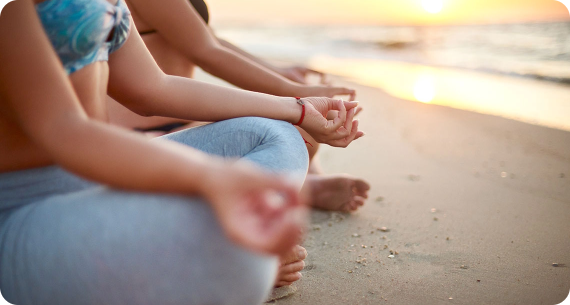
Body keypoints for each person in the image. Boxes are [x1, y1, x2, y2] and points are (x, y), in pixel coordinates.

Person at [0, 0, 363, 304]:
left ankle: (229, 258)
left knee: (275, 134)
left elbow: (153, 89)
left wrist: (297, 108)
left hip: (99, 178)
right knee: (240, 259)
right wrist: (212, 177)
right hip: (19, 211)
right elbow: (64, 129)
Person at [107, 0, 372, 288]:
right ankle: (253, 232)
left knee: (295, 135)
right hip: (133, 137)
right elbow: (206, 52)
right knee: (291, 128)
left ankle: (299, 184)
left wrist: (284, 82)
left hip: (179, 125)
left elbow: (209, 39)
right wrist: (298, 97)